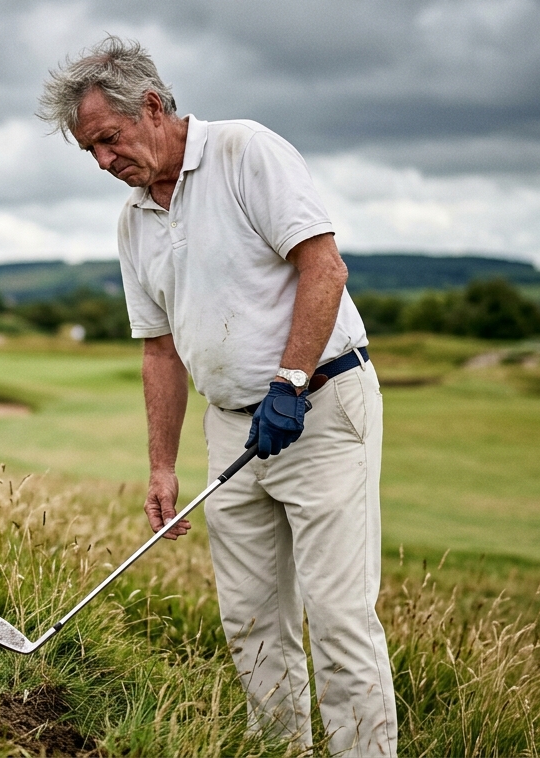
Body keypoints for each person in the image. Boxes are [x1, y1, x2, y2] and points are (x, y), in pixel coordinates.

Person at [38, 37, 396, 756]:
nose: (105, 163)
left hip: (319, 407)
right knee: (251, 620)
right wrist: (162, 466)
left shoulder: (244, 152)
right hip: (232, 427)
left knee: (337, 618)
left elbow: (324, 268)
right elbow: (160, 347)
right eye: (91, 153)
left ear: (152, 106)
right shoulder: (133, 220)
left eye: (108, 141)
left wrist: (289, 382)